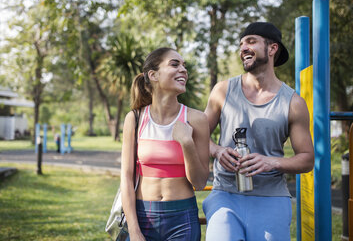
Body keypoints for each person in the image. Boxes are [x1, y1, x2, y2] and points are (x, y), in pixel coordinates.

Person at [202, 22, 315, 241]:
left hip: (271, 197)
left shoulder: (293, 102)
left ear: (272, 49)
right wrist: (217, 151)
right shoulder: (223, 90)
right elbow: (198, 135)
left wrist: (270, 162)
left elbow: (307, 159)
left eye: (251, 41)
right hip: (225, 193)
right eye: (241, 43)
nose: (243, 47)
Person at [120, 47, 210, 241]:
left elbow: (200, 182)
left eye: (184, 66)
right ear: (153, 75)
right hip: (142, 217)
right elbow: (126, 178)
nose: (183, 70)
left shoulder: (197, 119)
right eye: (174, 64)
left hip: (183, 218)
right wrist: (134, 231)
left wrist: (187, 143)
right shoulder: (134, 119)